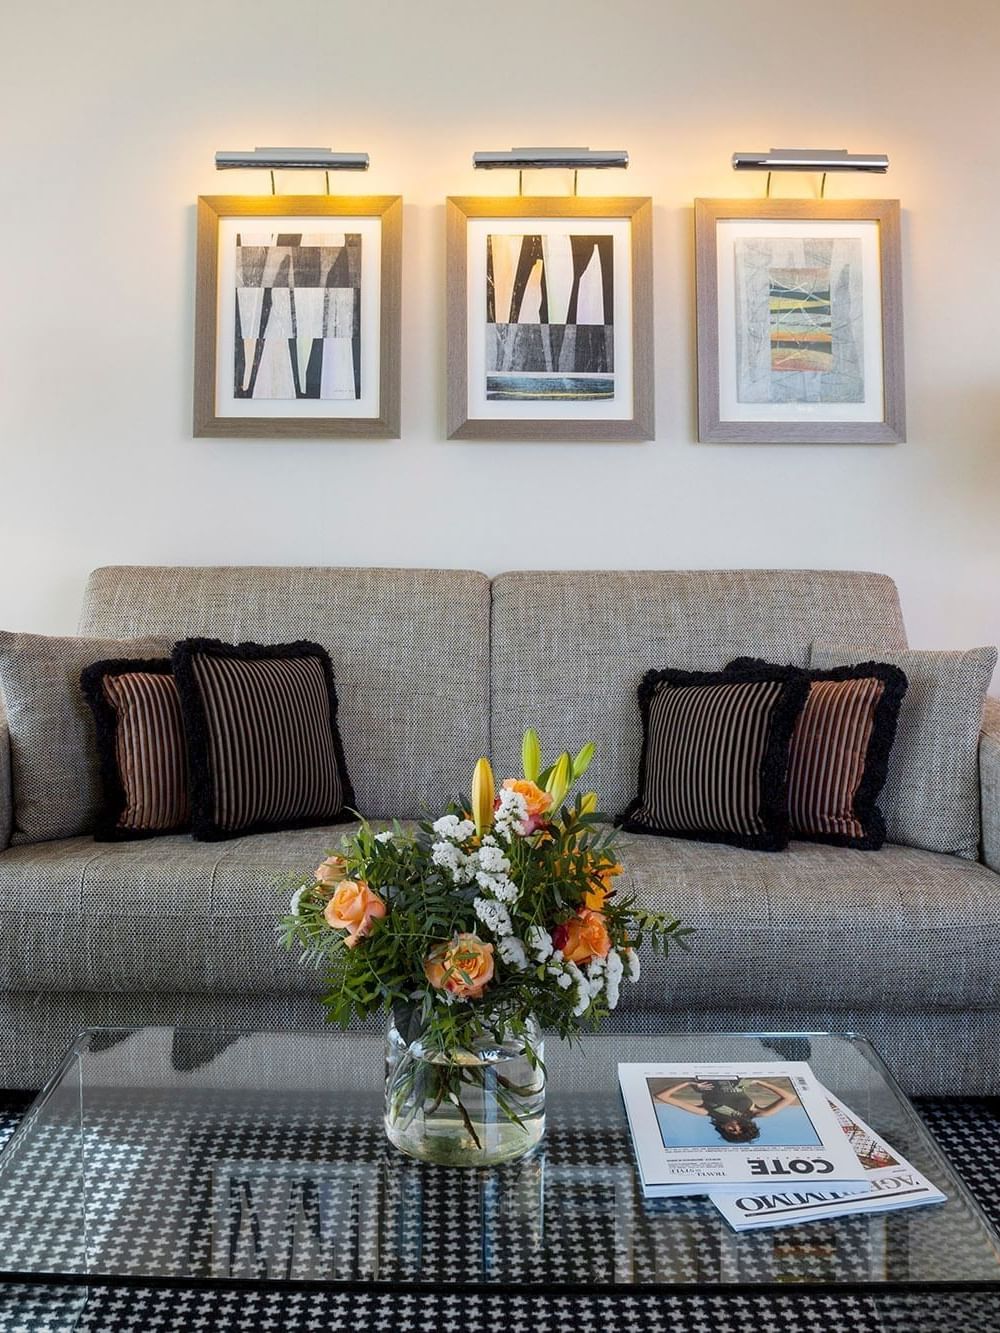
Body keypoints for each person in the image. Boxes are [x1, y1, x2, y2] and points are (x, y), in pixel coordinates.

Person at [653, 1076, 799, 1144]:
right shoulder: (756, 1113)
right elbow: (790, 1097)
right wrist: (761, 1082)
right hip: (736, 1074)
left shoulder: (706, 1111)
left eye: (732, 1131)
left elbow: (661, 1096)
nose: (735, 1127)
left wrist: (687, 1082)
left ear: (723, 1129)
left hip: (705, 1074)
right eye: (740, 1129)